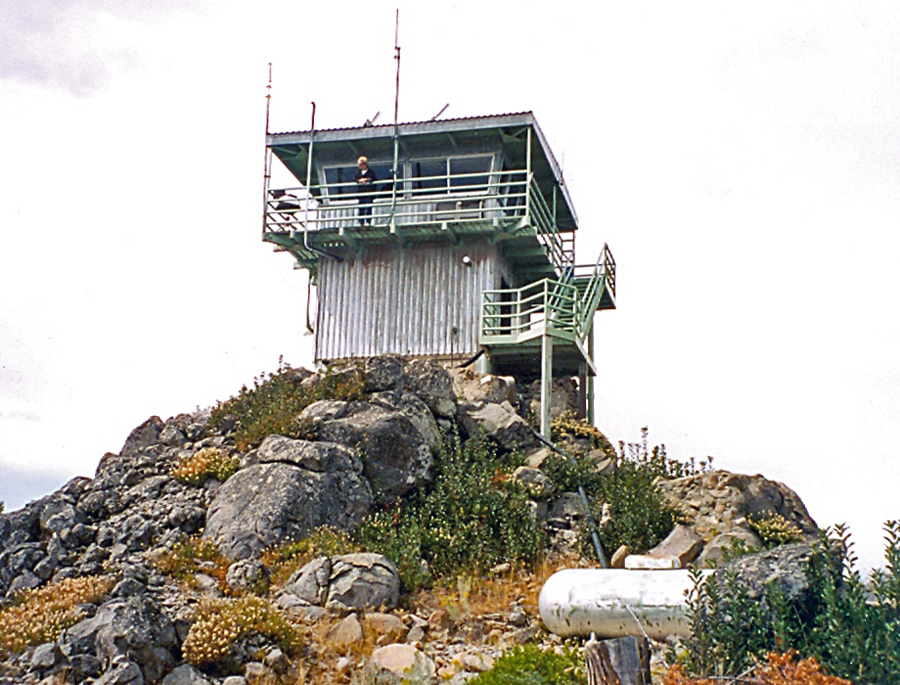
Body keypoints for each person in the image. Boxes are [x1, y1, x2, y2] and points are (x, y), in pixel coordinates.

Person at [354, 156, 378, 225]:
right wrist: (360, 180)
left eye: (364, 164)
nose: (363, 166)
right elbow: (355, 179)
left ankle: (368, 221)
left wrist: (366, 179)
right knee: (361, 208)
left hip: (369, 193)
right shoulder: (359, 173)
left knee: (368, 207)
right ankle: (360, 222)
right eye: (361, 165)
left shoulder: (370, 172)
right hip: (361, 193)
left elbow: (373, 178)